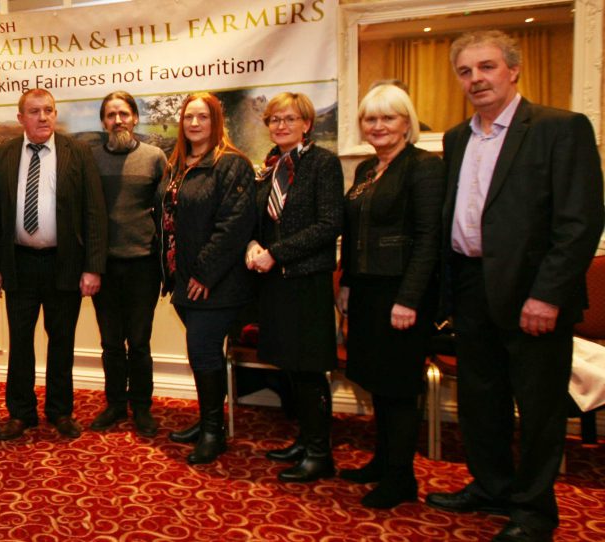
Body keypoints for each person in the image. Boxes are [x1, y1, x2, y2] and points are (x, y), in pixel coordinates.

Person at [425, 31, 604, 542]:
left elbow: (578, 223)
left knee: (540, 406)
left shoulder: (559, 128)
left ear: (513, 70)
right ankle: (491, 487)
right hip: (471, 285)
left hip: (534, 295)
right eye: (465, 71)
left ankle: (534, 511)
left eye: (486, 67)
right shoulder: (458, 137)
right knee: (483, 399)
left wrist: (547, 295)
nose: (475, 79)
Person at [338, 84, 445, 508]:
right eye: (370, 119)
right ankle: (383, 461)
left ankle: (402, 479)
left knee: (399, 386)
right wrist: (346, 282)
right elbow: (354, 233)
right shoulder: (367, 170)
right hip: (366, 289)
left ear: (407, 123)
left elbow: (428, 238)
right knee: (378, 383)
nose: (378, 126)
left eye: (388, 118)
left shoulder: (424, 168)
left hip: (400, 293)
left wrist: (410, 299)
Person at [0, 88, 108, 441]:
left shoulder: (78, 154)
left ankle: (60, 411)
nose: (43, 117)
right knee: (20, 341)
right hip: (19, 264)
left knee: (62, 340)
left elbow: (94, 213)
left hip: (64, 263)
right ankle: (21, 413)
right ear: (20, 117)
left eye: (49, 110)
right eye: (34, 111)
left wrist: (92, 267)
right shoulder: (4, 155)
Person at [245, 92, 343, 481]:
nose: (281, 125)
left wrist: (277, 254)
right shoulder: (271, 168)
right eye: (274, 119)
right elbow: (263, 222)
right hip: (276, 283)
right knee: (289, 365)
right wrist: (254, 244)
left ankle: (320, 452)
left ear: (307, 123)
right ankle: (304, 439)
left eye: (289, 118)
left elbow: (329, 225)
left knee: (309, 369)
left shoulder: (323, 163)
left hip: (307, 280)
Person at [160, 92, 256, 464]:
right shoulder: (179, 165)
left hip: (215, 283)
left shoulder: (232, 165)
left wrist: (204, 272)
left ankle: (214, 432)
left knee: (203, 352)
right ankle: (205, 422)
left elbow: (233, 225)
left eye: (203, 117)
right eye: (189, 117)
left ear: (217, 122)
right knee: (202, 354)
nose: (194, 123)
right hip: (183, 280)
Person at [87, 91, 167, 437]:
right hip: (103, 267)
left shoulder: (155, 158)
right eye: (110, 115)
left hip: (143, 265)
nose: (117, 120)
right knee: (109, 343)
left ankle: (142, 408)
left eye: (123, 113)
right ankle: (115, 404)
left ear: (135, 117)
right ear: (103, 122)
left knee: (139, 342)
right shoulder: (90, 159)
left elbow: (166, 215)